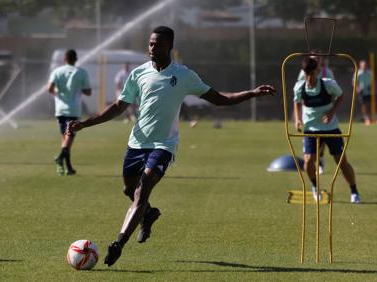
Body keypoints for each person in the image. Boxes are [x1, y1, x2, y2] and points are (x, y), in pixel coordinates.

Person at [67, 26, 275, 267]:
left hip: (163, 145)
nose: (152, 47)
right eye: (150, 43)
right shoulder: (138, 74)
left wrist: (251, 93)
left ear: (170, 47)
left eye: (157, 43)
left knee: (143, 190)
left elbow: (220, 98)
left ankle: (119, 243)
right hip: (136, 143)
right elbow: (117, 107)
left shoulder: (184, 75)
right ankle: (149, 214)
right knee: (129, 190)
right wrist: (85, 123)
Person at [293, 56, 360, 204]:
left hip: (331, 128)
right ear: (304, 72)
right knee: (308, 162)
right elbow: (297, 102)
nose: (309, 77)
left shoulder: (328, 84)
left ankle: (354, 191)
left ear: (317, 71)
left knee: (341, 162)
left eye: (312, 73)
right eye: (307, 73)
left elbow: (341, 96)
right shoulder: (299, 86)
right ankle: (315, 187)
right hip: (310, 129)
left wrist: (331, 112)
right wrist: (298, 119)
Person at [47, 49, 91, 176]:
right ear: (76, 59)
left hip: (60, 109)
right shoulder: (81, 73)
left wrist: (58, 96)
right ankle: (60, 157)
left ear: (64, 59)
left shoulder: (57, 71)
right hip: (73, 109)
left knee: (65, 138)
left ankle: (69, 168)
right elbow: (88, 92)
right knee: (69, 138)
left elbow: (49, 88)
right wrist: (78, 90)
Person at [297, 54, 335, 174]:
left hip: (323, 108)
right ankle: (312, 158)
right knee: (310, 137)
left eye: (318, 59)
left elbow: (334, 89)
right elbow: (299, 88)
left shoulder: (327, 72)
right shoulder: (304, 72)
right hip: (309, 108)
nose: (316, 61)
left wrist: (330, 108)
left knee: (322, 136)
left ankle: (320, 157)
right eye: (314, 59)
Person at [354, 59, 372, 125]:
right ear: (360, 66)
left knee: (370, 105)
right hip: (362, 92)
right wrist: (357, 88)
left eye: (365, 65)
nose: (364, 66)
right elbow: (354, 82)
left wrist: (372, 87)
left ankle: (371, 117)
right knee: (364, 105)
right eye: (363, 65)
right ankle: (366, 119)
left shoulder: (370, 73)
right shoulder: (358, 73)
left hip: (369, 92)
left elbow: (373, 81)